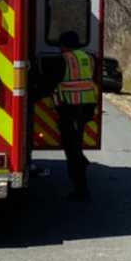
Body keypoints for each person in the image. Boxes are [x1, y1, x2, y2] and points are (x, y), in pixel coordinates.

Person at [55, 31, 97, 201]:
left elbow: (54, 81)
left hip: (70, 109)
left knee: (72, 151)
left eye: (60, 45)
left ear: (65, 45)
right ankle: (81, 161)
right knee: (76, 145)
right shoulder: (88, 57)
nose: (59, 48)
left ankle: (81, 190)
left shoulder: (64, 59)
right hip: (86, 107)